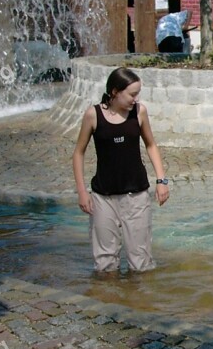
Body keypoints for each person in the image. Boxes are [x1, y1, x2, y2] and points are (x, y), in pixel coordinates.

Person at [73, 67, 170, 272]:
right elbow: (78, 153)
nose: (135, 99)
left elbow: (151, 145)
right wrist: (82, 192)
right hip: (103, 197)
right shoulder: (93, 114)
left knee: (140, 262)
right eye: (132, 94)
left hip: (136, 195)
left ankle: (139, 301)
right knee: (105, 263)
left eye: (138, 94)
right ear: (115, 92)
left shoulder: (139, 112)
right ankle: (109, 300)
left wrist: (162, 181)